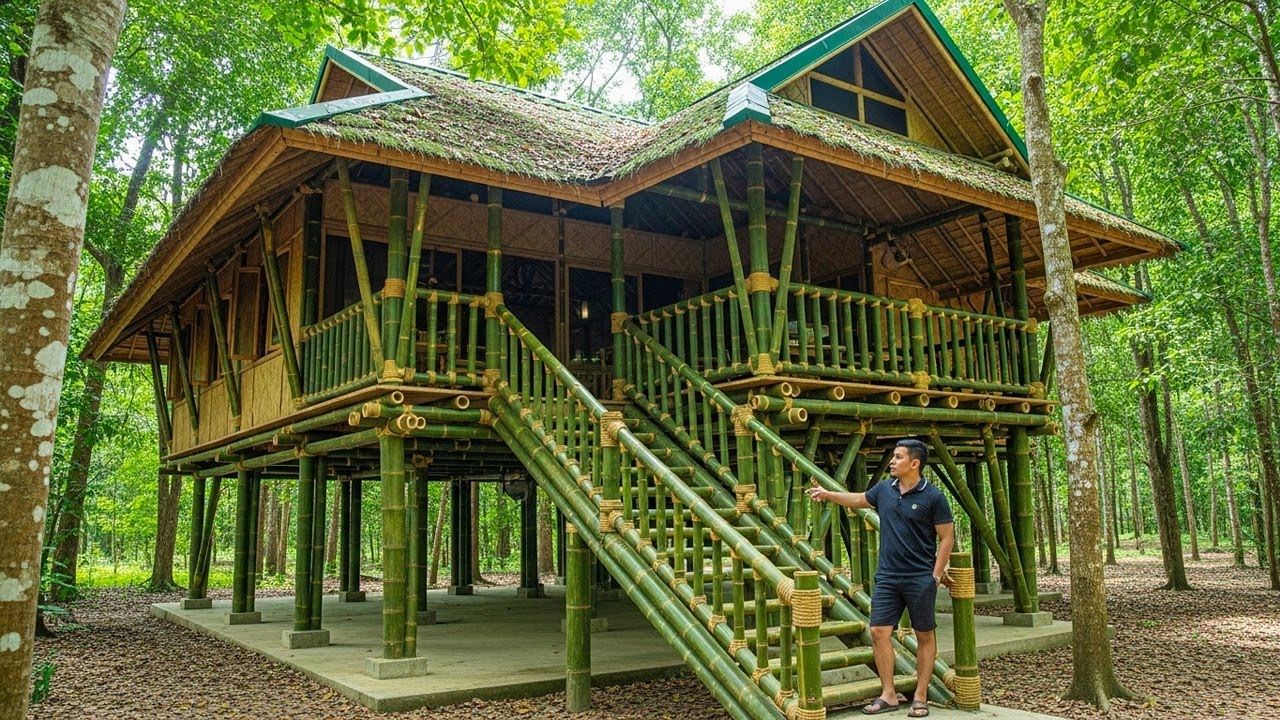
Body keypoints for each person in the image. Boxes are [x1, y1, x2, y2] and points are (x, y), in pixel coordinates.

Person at [805, 438, 955, 718]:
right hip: (887, 576)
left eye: (898, 457)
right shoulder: (885, 489)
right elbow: (859, 499)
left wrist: (934, 576)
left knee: (924, 635)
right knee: (878, 632)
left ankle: (920, 695)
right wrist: (827, 494)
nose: (892, 461)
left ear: (914, 463)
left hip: (919, 577)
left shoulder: (933, 496)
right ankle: (888, 694)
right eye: (893, 457)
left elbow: (946, 538)